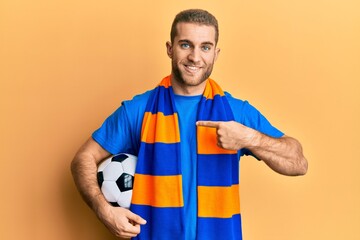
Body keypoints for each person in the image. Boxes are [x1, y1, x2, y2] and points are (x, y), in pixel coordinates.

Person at [71, 9, 308, 240]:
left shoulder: (236, 112)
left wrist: (250, 139)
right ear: (170, 49)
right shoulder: (138, 110)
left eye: (205, 47)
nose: (195, 57)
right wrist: (105, 211)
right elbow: (83, 158)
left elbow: (298, 162)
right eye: (186, 45)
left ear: (216, 53)